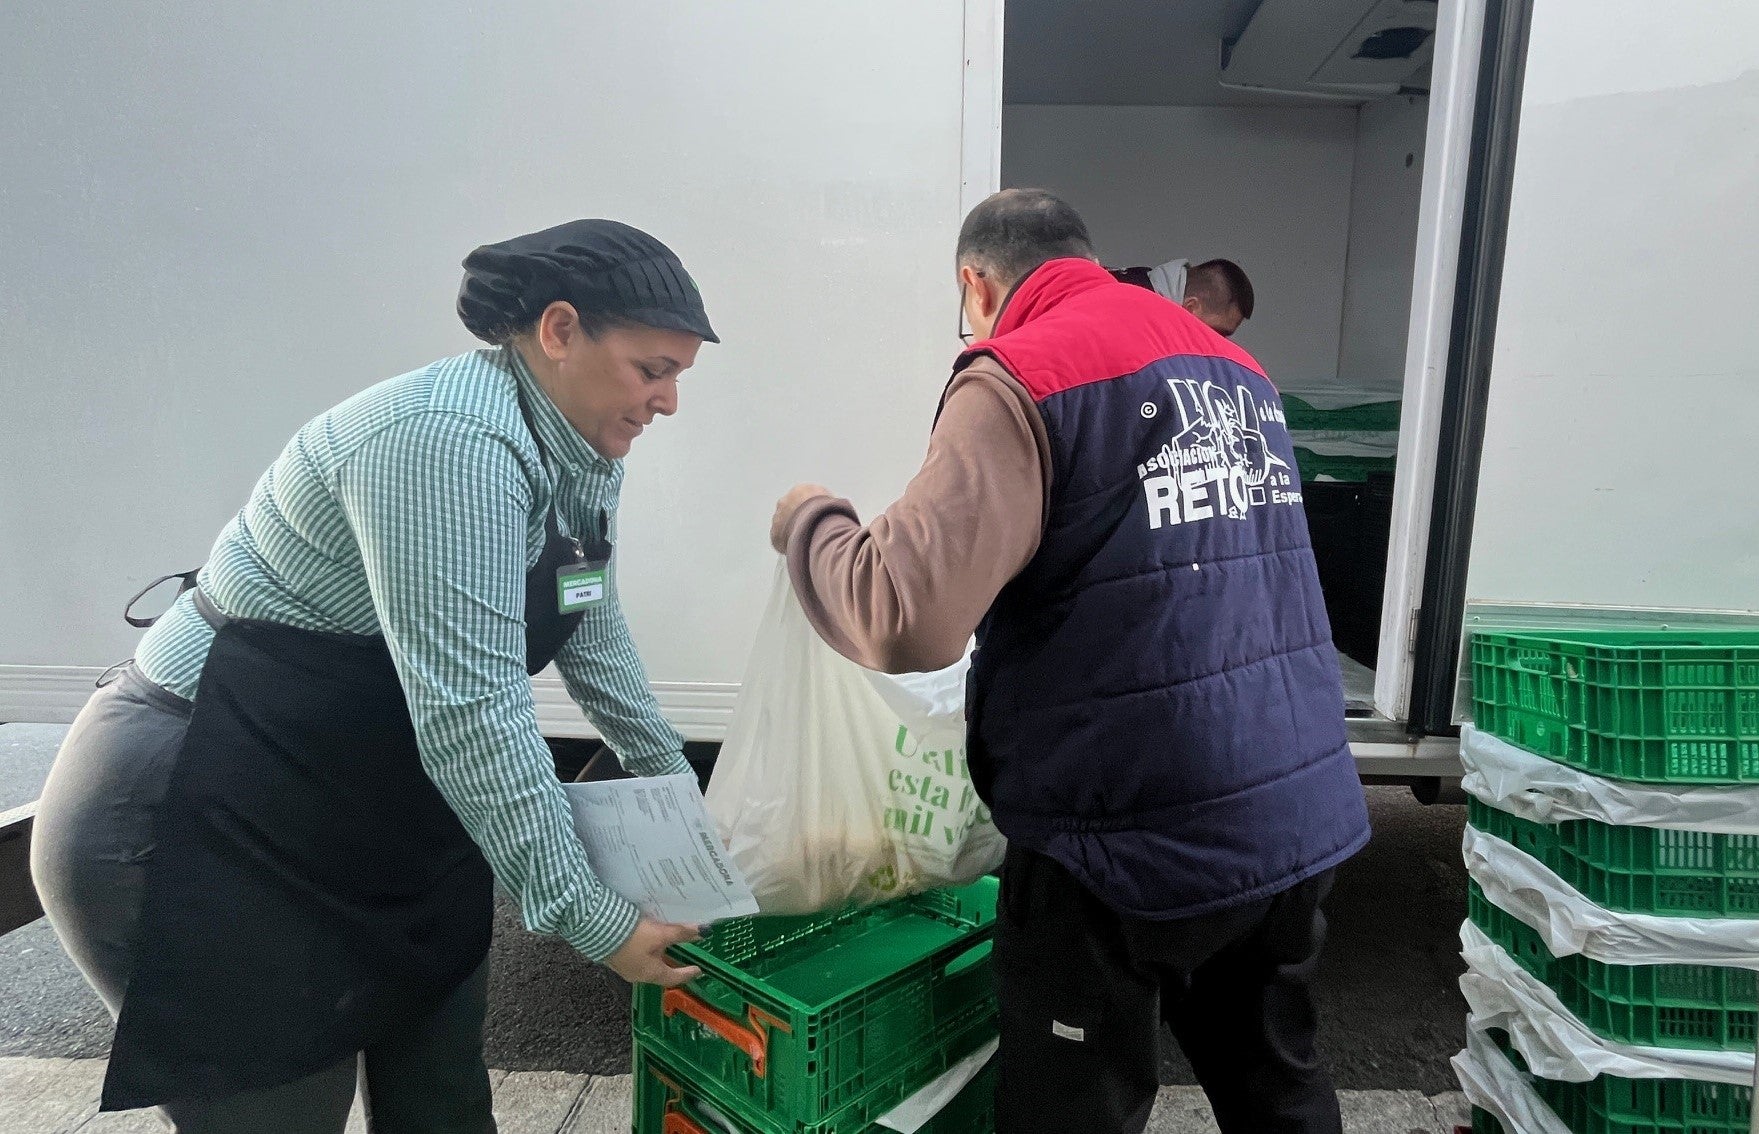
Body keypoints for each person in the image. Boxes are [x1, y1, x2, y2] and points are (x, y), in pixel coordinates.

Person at [31, 219, 716, 1130]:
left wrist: (676, 789)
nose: (667, 401)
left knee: (442, 1098)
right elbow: (474, 713)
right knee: (287, 1107)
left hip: (362, 796)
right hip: (209, 802)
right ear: (559, 331)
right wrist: (593, 918)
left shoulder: (579, 449)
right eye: (651, 370)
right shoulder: (447, 441)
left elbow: (586, 618)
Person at [770, 189, 1369, 1134]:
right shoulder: (1235, 368)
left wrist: (812, 520)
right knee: (1276, 1086)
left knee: (1072, 1113)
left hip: (1120, 832)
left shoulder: (1021, 372)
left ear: (976, 285)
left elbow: (903, 617)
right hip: (1292, 808)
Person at [1110, 256, 1255, 337]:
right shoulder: (1135, 321)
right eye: (1218, 333)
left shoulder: (1139, 282)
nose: (1220, 344)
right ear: (1190, 308)